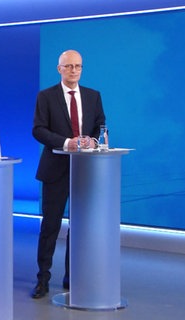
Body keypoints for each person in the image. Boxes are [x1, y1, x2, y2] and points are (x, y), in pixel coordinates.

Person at [31, 49, 106, 299]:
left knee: (80, 226)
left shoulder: (93, 96)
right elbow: (38, 130)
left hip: (85, 171)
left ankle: (72, 275)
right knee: (50, 225)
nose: (74, 70)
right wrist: (66, 143)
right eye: (69, 66)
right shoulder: (47, 96)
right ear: (59, 69)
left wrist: (93, 141)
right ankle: (43, 278)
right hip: (55, 170)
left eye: (78, 66)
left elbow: (100, 126)